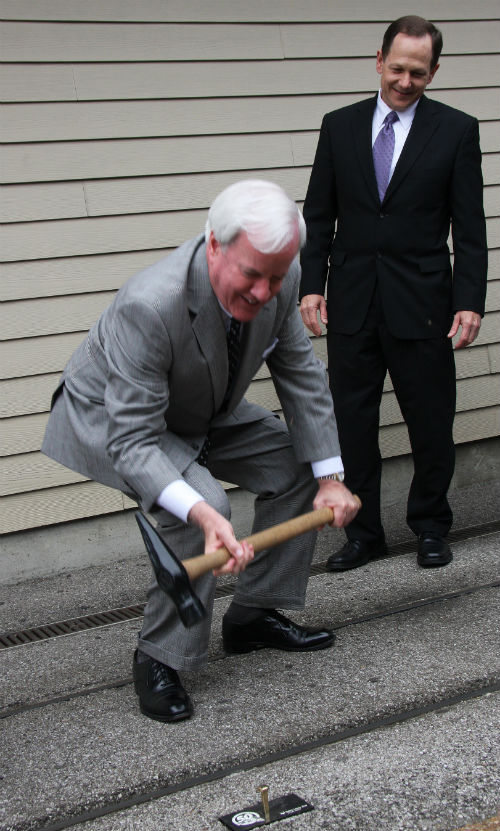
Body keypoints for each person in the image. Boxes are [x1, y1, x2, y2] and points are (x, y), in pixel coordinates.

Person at [42, 179, 360, 723]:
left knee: (297, 467)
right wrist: (201, 509)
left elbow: (301, 374)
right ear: (215, 244)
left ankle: (253, 616)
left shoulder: (279, 278)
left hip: (199, 403)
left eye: (276, 277)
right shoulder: (150, 303)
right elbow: (134, 439)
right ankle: (159, 656)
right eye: (252, 275)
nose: (265, 292)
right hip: (111, 415)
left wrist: (331, 474)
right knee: (197, 501)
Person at [299, 15, 487, 573]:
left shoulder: (456, 130)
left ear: (434, 72)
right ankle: (363, 535)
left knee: (431, 422)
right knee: (352, 427)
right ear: (378, 60)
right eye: (398, 68)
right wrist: (312, 287)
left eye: (419, 73)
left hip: (424, 304)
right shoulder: (339, 126)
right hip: (352, 303)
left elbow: (469, 226)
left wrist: (469, 299)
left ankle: (430, 526)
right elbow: (319, 216)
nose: (406, 81)